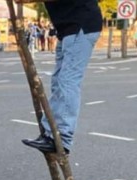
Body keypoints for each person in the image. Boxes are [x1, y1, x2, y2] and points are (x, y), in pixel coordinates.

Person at [21, 1, 102, 155]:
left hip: (81, 26)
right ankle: (51, 133)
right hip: (68, 31)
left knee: (68, 81)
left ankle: (62, 138)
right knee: (58, 81)